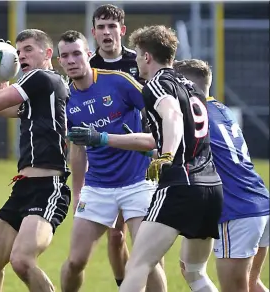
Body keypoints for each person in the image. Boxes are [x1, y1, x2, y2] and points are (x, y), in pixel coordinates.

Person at [68, 25, 223, 292]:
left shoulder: (156, 85)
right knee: (196, 274)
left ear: (148, 57)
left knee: (138, 263)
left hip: (181, 184)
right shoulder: (191, 87)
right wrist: (150, 150)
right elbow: (188, 138)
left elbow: (172, 116)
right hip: (210, 186)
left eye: (138, 55)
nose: (136, 60)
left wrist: (165, 155)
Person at [57, 30, 167, 292]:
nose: (71, 60)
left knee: (148, 259)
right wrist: (77, 191)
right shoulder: (66, 99)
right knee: (75, 261)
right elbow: (78, 149)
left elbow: (157, 111)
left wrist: (157, 146)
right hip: (98, 187)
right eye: (65, 56)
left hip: (139, 182)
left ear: (88, 55)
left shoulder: (119, 81)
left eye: (76, 53)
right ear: (59, 62)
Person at [0, 29, 70, 292]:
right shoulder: (37, 91)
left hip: (48, 188)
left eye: (28, 49)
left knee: (22, 260)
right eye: (18, 52)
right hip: (23, 188)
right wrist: (3, 80)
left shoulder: (41, 78)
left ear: (48, 53)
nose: (21, 55)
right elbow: (1, 108)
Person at [173, 59, 270, 292]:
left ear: (184, 86)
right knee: (247, 282)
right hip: (259, 203)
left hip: (236, 211)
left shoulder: (194, 116)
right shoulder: (220, 109)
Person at [89, 4, 152, 286]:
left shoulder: (138, 63)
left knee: (148, 240)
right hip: (106, 163)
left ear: (122, 31)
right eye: (101, 27)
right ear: (93, 32)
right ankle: (122, 284)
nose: (106, 32)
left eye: (112, 26)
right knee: (115, 236)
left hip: (142, 160)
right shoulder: (86, 67)